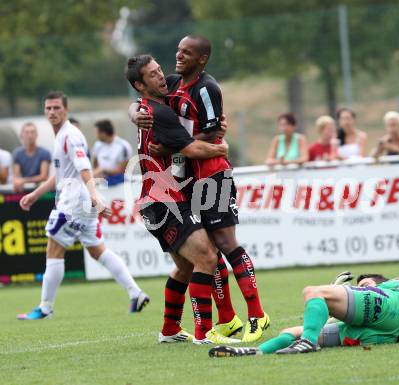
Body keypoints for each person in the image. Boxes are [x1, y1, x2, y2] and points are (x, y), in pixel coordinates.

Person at [130, 35, 269, 343]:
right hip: (167, 196)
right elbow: (193, 147)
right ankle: (207, 331)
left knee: (193, 261)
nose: (162, 73)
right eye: (153, 74)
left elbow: (200, 132)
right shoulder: (160, 108)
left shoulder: (188, 91)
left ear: (201, 59)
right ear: (141, 86)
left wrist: (207, 142)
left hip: (186, 187)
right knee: (208, 254)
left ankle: (176, 328)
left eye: (158, 70)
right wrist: (220, 149)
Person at [16, 91, 149, 320]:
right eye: (48, 108)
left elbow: (83, 167)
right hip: (80, 202)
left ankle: (45, 308)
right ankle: (135, 292)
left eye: (56, 108)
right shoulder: (60, 136)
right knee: (98, 250)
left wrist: (95, 195)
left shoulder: (70, 135)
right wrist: (36, 194)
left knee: (54, 249)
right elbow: (59, 174)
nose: (52, 112)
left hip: (74, 203)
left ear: (65, 110)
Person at [209, 272, 399, 357]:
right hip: (377, 334)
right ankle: (257, 352)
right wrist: (333, 300)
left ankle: (308, 343)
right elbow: (325, 318)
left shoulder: (397, 287)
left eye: (365, 285)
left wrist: (333, 293)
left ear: (381, 284)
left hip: (390, 313)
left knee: (313, 291)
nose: (361, 288)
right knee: (293, 331)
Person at [12, 122, 51, 192]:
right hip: (24, 189)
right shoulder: (17, 153)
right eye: (27, 133)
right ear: (21, 135)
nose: (30, 135)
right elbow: (16, 176)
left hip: (40, 188)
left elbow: (43, 176)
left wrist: (23, 181)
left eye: (32, 132)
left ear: (36, 135)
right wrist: (18, 181)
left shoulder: (45, 153)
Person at [92, 119, 132, 186]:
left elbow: (122, 170)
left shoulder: (123, 146)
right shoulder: (97, 145)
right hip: (102, 181)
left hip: (119, 182)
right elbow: (95, 164)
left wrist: (103, 170)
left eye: (97, 133)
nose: (96, 135)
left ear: (103, 133)